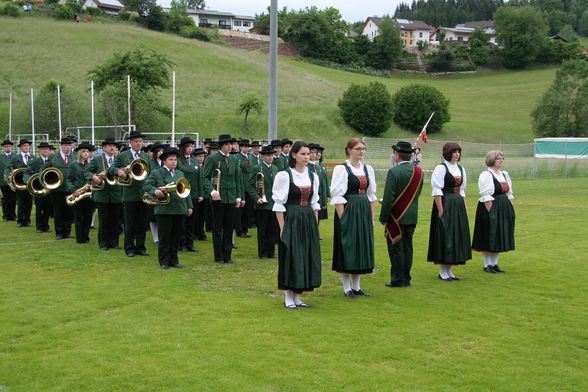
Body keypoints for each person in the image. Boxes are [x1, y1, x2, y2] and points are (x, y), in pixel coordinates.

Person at [272, 141, 321, 309]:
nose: (307, 157)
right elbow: (278, 205)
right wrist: (282, 228)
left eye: (308, 154)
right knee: (291, 255)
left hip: (307, 219)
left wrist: (315, 225)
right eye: (303, 154)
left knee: (305, 255)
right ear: (294, 155)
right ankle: (288, 296)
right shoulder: (285, 175)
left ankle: (298, 296)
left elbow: (315, 203)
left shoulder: (313, 176)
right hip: (292, 218)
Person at [330, 139, 378, 298]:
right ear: (349, 150)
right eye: (358, 149)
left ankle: (356, 286)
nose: (362, 152)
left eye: (363, 149)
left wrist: (371, 219)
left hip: (363, 212)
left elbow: (371, 196)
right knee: (347, 247)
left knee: (360, 247)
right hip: (349, 212)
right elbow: (337, 197)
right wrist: (343, 220)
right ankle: (346, 287)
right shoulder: (341, 169)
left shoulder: (367, 169)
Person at [380, 141, 424, 288]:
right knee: (408, 248)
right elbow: (417, 194)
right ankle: (406, 278)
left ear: (397, 155)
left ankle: (398, 280)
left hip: (396, 218)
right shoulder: (419, 171)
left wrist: (383, 217)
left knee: (396, 249)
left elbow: (388, 199)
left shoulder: (394, 172)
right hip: (411, 216)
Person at [427, 142, 472, 281]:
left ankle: (450, 270)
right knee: (445, 235)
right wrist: (441, 210)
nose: (457, 154)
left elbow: (462, 190)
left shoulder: (460, 168)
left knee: (455, 235)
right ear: (448, 153)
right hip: (446, 203)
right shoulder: (441, 168)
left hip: (457, 204)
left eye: (458, 151)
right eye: (454, 151)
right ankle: (443, 271)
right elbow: (436, 190)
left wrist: (464, 208)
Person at [144, 147, 193, 269]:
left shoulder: (180, 173)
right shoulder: (157, 172)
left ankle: (174, 260)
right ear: (164, 161)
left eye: (175, 159)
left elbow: (186, 191)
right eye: (170, 159)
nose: (173, 162)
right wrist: (155, 191)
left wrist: (189, 206)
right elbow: (146, 185)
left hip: (179, 209)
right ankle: (164, 261)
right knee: (165, 237)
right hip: (164, 209)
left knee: (176, 237)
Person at [202, 134, 244, 264]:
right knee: (217, 228)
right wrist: (213, 191)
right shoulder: (213, 158)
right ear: (221, 145)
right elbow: (205, 177)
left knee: (229, 227)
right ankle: (218, 256)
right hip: (218, 198)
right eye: (227, 144)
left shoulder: (233, 159)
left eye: (231, 144)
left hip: (231, 197)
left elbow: (237, 179)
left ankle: (227, 255)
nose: (230, 146)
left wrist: (238, 196)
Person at [472, 150, 515, 273]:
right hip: (490, 207)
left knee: (499, 235)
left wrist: (510, 209)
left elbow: (509, 193)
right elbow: (486, 195)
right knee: (489, 235)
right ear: (492, 160)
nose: (501, 160)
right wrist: (491, 213)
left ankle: (494, 264)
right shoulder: (486, 175)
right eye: (498, 158)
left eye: (502, 158)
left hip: (503, 207)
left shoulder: (504, 174)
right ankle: (487, 265)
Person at [109, 130, 151, 257]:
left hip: (143, 193)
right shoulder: (123, 156)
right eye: (136, 141)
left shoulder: (145, 156)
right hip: (129, 194)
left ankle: (141, 247)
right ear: (131, 142)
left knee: (142, 223)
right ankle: (129, 248)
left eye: (140, 141)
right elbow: (111, 168)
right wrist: (118, 171)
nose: (139, 143)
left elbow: (149, 173)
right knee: (130, 223)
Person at [86, 138, 122, 250]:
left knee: (115, 220)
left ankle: (114, 243)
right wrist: (93, 177)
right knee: (104, 220)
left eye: (114, 146)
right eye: (109, 146)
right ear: (104, 148)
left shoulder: (119, 159)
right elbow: (87, 171)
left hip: (116, 194)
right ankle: (103, 243)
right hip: (102, 194)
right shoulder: (97, 159)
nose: (112, 148)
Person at [247, 145, 278, 259]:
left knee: (272, 229)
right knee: (262, 230)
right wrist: (256, 198)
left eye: (272, 155)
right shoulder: (257, 168)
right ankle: (263, 252)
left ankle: (271, 252)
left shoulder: (275, 168)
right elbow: (250, 185)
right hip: (262, 204)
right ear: (263, 156)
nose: (271, 158)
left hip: (273, 203)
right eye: (268, 155)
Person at [44, 137, 75, 240]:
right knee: (58, 211)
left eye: (69, 145)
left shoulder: (74, 156)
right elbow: (43, 170)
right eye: (66, 145)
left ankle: (67, 232)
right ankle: (59, 232)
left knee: (69, 211)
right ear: (61, 146)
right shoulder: (53, 157)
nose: (68, 147)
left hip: (70, 189)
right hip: (57, 189)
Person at [178, 136, 203, 252]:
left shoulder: (195, 160)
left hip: (193, 193)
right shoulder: (178, 160)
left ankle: (190, 243)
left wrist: (200, 194)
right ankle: (182, 243)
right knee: (183, 220)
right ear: (183, 148)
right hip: (182, 193)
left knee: (192, 220)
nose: (190, 148)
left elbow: (199, 178)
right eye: (187, 146)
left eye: (191, 146)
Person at [66, 143, 94, 244]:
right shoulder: (73, 165)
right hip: (78, 194)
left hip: (89, 193)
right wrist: (73, 190)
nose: (86, 153)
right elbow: (69, 180)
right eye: (84, 151)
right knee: (78, 217)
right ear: (79, 153)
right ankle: (79, 238)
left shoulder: (91, 165)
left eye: (87, 151)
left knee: (88, 217)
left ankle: (86, 236)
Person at [5, 139, 34, 227]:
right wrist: (8, 175)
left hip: (29, 183)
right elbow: (7, 168)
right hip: (19, 183)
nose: (26, 147)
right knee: (21, 203)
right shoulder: (15, 158)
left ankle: (27, 220)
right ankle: (20, 221)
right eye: (24, 146)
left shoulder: (33, 157)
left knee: (29, 203)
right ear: (20, 148)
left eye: (27, 146)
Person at [26, 142, 53, 233]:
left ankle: (46, 226)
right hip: (38, 187)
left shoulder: (52, 161)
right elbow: (27, 172)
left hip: (49, 188)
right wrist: (29, 182)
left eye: (47, 149)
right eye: (43, 149)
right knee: (39, 208)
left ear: (49, 150)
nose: (45, 150)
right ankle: (39, 227)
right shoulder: (35, 161)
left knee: (47, 208)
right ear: (40, 150)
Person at [146, 142, 166, 246]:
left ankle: (162, 236)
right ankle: (155, 238)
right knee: (153, 216)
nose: (161, 153)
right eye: (159, 151)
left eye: (162, 151)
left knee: (162, 215)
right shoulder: (150, 163)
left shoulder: (165, 162)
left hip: (164, 191)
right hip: (153, 191)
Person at [235, 139, 253, 238]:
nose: (246, 148)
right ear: (240, 147)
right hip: (241, 186)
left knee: (247, 210)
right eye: (244, 146)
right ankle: (239, 229)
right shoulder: (237, 157)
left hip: (249, 186)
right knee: (240, 210)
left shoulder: (249, 157)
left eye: (247, 147)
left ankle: (245, 229)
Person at [193, 147, 208, 240]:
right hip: (197, 193)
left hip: (205, 194)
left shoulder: (205, 167)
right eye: (199, 156)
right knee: (195, 214)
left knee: (203, 215)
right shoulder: (194, 167)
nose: (201, 158)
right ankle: (195, 232)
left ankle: (201, 232)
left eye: (203, 156)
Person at [1, 139, 17, 222]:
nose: (8, 148)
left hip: (13, 181)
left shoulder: (16, 156)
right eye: (6, 146)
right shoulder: (0, 156)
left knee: (13, 199)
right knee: (5, 199)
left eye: (9, 146)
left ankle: (13, 215)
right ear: (3, 147)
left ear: (11, 147)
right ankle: (6, 215)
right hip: (3, 182)